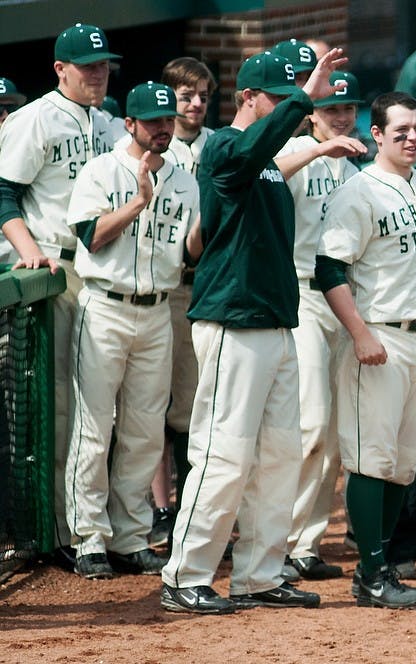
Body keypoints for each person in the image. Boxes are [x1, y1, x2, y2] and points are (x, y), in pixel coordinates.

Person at [160, 49, 346, 614]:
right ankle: (184, 573)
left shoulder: (263, 159)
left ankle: (261, 575)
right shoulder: (221, 145)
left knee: (279, 455)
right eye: (274, 98)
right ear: (248, 98)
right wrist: (304, 102)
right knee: (224, 452)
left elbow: (270, 160)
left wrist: (315, 143)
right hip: (231, 318)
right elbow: (251, 151)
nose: (282, 110)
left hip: (274, 319)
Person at [315, 91, 416, 609]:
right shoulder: (359, 193)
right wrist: (360, 334)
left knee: (404, 464)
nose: (410, 138)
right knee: (371, 460)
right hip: (377, 337)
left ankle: (376, 572)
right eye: (399, 130)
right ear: (375, 134)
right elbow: (329, 270)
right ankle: (372, 571)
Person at [0, 23, 126, 571]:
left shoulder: (110, 122)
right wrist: (27, 249)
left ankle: (96, 525)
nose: (97, 73)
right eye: (87, 66)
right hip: (62, 267)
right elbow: (4, 191)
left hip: (108, 271)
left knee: (104, 411)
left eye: (102, 65)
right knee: (61, 408)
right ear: (60, 69)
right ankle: (60, 530)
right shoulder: (34, 119)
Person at [63, 81, 199, 579]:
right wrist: (139, 202)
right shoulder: (100, 170)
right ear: (130, 124)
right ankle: (89, 537)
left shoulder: (185, 180)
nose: (163, 128)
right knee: (95, 427)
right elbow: (91, 238)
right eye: (153, 121)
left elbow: (190, 253)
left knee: (144, 432)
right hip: (105, 306)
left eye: (168, 120)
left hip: (158, 310)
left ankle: (130, 536)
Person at [274, 70, 367, 581]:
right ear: (312, 113)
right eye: (333, 108)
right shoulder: (295, 154)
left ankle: (306, 544)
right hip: (303, 297)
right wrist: (314, 151)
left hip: (345, 301)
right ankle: (281, 541)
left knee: (332, 432)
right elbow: (264, 175)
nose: (342, 116)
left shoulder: (356, 170)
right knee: (310, 424)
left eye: (349, 108)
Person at [147, 56, 218, 549]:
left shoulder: (217, 145)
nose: (195, 105)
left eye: (203, 97)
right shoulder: (154, 150)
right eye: (186, 96)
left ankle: (192, 507)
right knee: (156, 404)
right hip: (164, 285)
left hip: (207, 283)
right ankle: (160, 508)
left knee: (195, 405)